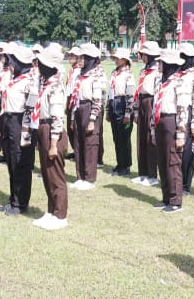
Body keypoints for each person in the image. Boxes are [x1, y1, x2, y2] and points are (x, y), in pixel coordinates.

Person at [0, 44, 36, 209]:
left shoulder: (29, 82)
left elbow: (30, 110)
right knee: (11, 161)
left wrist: (26, 135)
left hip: (21, 124)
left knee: (20, 162)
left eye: (12, 61)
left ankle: (21, 202)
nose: (8, 64)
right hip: (9, 121)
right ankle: (13, 199)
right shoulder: (14, 79)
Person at [31, 45, 69, 229]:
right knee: (47, 174)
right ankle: (51, 211)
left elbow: (57, 117)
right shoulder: (45, 83)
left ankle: (60, 215)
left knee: (56, 176)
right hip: (43, 127)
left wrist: (53, 143)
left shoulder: (55, 86)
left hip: (52, 132)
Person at [152, 48, 186, 213]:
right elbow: (154, 106)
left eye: (161, 62)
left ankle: (175, 200)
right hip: (160, 122)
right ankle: (166, 196)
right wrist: (153, 129)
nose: (158, 64)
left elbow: (182, 110)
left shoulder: (178, 83)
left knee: (172, 161)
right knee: (162, 160)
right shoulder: (160, 82)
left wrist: (180, 133)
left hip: (172, 122)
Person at [69, 42, 106, 190]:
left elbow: (97, 100)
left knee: (90, 144)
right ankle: (80, 176)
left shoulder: (95, 75)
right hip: (78, 108)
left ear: (90, 58)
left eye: (82, 57)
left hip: (89, 109)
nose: (79, 60)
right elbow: (75, 96)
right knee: (78, 143)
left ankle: (89, 178)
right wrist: (72, 117)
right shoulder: (80, 75)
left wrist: (92, 119)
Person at [132, 41, 162, 187]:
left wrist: (155, 111)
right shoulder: (143, 71)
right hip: (142, 101)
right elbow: (138, 91)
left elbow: (157, 93)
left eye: (144, 54)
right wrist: (136, 110)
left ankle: (152, 174)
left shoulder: (157, 72)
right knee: (141, 138)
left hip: (151, 102)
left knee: (151, 137)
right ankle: (142, 172)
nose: (142, 57)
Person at [177, 42, 194, 196]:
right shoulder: (176, 75)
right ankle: (176, 180)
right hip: (178, 115)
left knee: (188, 152)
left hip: (190, 116)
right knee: (177, 150)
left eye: (183, 57)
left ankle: (186, 185)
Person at [107, 48, 136, 176]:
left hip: (123, 105)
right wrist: (108, 110)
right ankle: (119, 164)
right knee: (116, 137)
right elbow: (110, 93)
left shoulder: (128, 75)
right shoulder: (114, 73)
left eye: (119, 58)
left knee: (124, 138)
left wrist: (128, 114)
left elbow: (130, 96)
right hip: (114, 104)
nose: (116, 60)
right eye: (116, 58)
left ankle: (126, 166)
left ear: (125, 60)